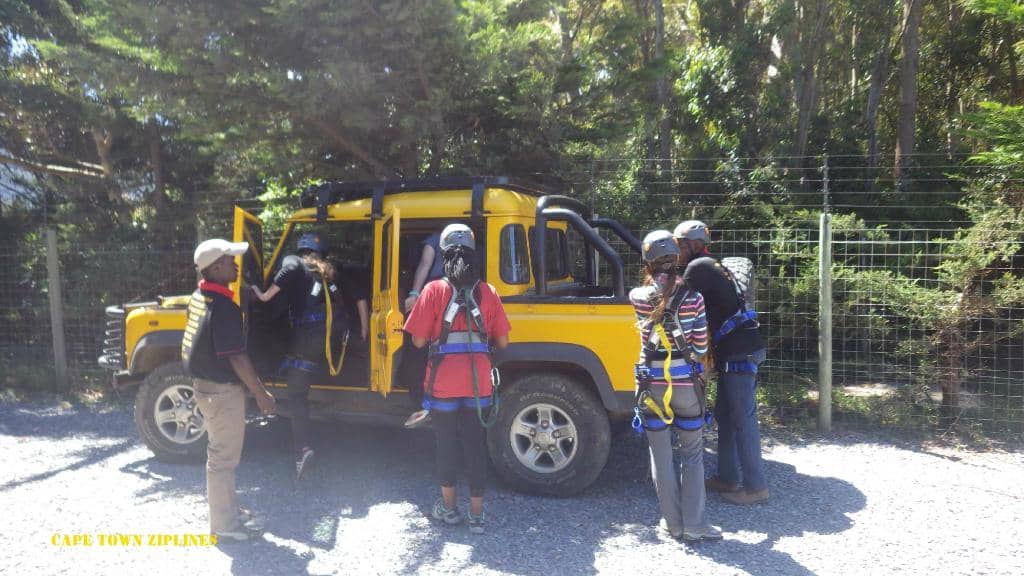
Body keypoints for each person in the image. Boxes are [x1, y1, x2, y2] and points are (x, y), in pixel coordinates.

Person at [403, 223, 510, 534]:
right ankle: (477, 516)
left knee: (446, 444)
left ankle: (449, 510)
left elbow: (419, 342)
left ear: (444, 253)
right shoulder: (488, 292)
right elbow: (502, 343)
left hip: (442, 385)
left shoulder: (433, 290)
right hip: (479, 385)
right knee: (475, 445)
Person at [181, 238, 277, 543]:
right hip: (221, 393)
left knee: (221, 455)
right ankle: (224, 524)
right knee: (223, 459)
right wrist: (261, 392)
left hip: (205, 388)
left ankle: (228, 511)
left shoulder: (200, 296)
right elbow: (236, 356)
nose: (236, 264)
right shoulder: (223, 308)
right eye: (230, 260)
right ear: (215, 267)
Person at [630, 230, 722, 542]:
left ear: (647, 261)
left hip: (652, 385)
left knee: (660, 454)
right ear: (676, 257)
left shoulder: (637, 297)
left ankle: (672, 524)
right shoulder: (693, 299)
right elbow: (698, 346)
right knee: (692, 453)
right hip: (686, 386)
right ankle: (695, 525)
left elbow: (645, 340)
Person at [674, 220, 769, 505]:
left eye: (678, 245)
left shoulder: (698, 268)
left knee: (742, 419)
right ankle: (727, 478)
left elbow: (677, 302)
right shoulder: (709, 265)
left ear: (691, 245)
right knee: (726, 417)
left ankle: (756, 487)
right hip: (737, 349)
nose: (676, 251)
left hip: (739, 352)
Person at [252, 232, 342, 480]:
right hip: (326, 342)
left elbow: (278, 284)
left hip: (306, 341)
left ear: (300, 249)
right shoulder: (327, 272)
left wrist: (260, 294)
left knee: (297, 396)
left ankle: (302, 449)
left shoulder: (293, 261)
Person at [401, 230, 445, 428]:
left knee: (417, 353)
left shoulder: (434, 239)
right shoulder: (470, 238)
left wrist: (414, 293)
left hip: (433, 296)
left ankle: (421, 405)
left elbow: (425, 264)